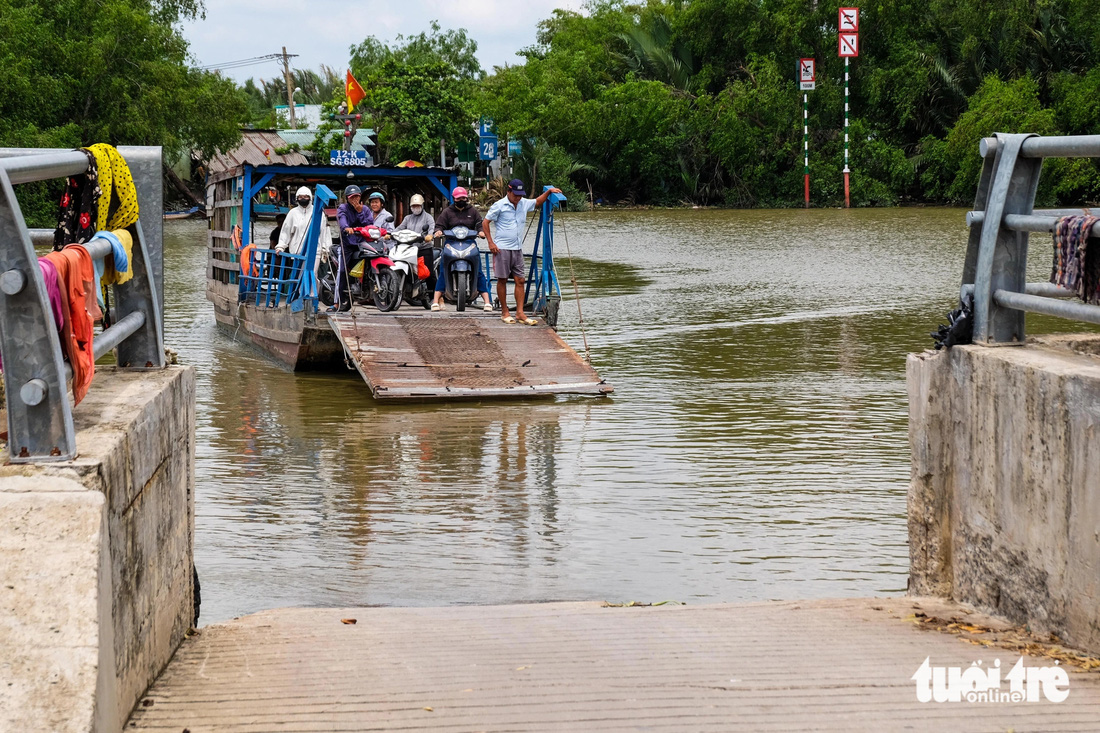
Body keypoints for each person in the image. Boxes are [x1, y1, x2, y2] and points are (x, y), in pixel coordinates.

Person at [484, 179, 561, 325]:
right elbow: (485, 222)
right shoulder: (499, 205)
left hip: (517, 248)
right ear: (509, 191)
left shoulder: (523, 203)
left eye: (520, 195)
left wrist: (549, 191)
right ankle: (505, 312)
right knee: (502, 279)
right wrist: (490, 242)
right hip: (502, 248)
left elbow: (538, 202)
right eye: (515, 195)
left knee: (520, 280)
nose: (518, 198)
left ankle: (520, 313)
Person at [430, 187, 493, 312]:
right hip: (451, 242)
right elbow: (439, 225)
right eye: (459, 198)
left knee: (478, 270)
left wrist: (481, 232)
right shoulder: (447, 212)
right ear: (454, 198)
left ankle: (487, 301)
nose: (461, 200)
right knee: (443, 269)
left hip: (469, 242)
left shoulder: (473, 211)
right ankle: (436, 300)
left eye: (463, 198)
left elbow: (479, 224)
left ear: (467, 198)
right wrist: (438, 231)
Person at [331, 185, 374, 311]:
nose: (355, 199)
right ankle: (336, 302)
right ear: (347, 198)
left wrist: (360, 212)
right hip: (348, 244)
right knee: (342, 271)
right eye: (352, 197)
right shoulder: (342, 208)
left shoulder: (365, 209)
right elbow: (342, 220)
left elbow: (369, 225)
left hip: (362, 243)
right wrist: (346, 228)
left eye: (357, 197)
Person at [394, 193, 436, 288]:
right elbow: (400, 228)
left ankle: (434, 296)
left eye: (417, 206)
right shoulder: (408, 218)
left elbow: (431, 228)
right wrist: (390, 234)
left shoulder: (428, 217)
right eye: (413, 206)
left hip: (424, 248)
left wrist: (430, 235)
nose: (415, 208)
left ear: (422, 205)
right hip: (410, 249)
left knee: (428, 272)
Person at [276, 186, 328, 256]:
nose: (303, 199)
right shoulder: (292, 213)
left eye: (305, 197)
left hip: (315, 253)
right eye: (300, 197)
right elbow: (286, 231)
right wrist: (280, 246)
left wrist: (325, 249)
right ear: (297, 198)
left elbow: (324, 232)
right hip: (296, 253)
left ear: (310, 198)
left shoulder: (318, 213)